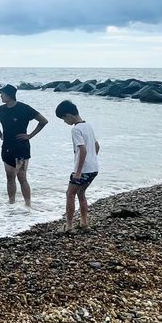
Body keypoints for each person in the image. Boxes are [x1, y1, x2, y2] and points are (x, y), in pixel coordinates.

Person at [0, 84, 48, 206]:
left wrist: (30, 135)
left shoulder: (24, 108)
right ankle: (11, 204)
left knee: (22, 178)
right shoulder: (1, 109)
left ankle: (28, 205)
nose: (1, 96)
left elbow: (43, 121)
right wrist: (0, 134)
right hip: (6, 148)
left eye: (3, 94)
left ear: (10, 95)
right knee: (9, 178)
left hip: (21, 149)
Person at [55, 100, 100, 233]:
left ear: (68, 115)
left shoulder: (76, 129)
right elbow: (97, 146)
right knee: (81, 193)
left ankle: (68, 226)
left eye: (63, 118)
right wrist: (92, 160)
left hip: (84, 169)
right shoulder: (88, 126)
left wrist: (79, 171)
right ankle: (84, 222)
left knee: (70, 194)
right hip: (94, 168)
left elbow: (83, 150)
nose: (64, 122)